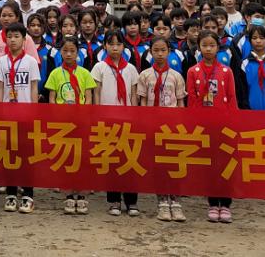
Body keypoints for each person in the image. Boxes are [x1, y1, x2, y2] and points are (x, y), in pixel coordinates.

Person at [185, 31, 238, 222]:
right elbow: (191, 99)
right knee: (209, 165)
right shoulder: (193, 71)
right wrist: (194, 123)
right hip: (204, 124)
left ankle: (226, 204)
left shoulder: (226, 71)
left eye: (212, 45)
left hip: (223, 124)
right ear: (199, 47)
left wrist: (233, 122)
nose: (208, 49)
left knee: (225, 163)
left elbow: (232, 98)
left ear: (218, 47)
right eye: (204, 45)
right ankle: (212, 203)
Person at [136, 36, 187, 222]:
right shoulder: (145, 75)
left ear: (169, 52)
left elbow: (180, 102)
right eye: (156, 50)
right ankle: (162, 202)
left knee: (174, 163)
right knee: (159, 163)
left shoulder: (176, 76)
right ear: (150, 52)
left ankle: (176, 200)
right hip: (152, 124)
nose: (159, 54)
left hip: (172, 126)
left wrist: (181, 125)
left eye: (163, 50)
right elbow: (142, 101)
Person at [46, 34, 96, 215]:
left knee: (82, 157)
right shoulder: (55, 74)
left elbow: (88, 97)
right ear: (60, 52)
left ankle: (82, 195)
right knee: (65, 157)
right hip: (63, 123)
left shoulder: (84, 73)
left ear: (78, 53)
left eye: (72, 51)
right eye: (65, 51)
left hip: (81, 121)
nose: (68, 54)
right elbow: (52, 98)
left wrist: (86, 116)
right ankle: (68, 195)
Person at [91, 31, 139, 216]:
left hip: (127, 119)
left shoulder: (131, 69)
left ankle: (131, 201)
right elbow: (97, 93)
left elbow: (134, 93)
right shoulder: (99, 67)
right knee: (111, 161)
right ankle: (114, 201)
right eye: (111, 44)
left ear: (124, 47)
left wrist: (135, 115)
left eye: (119, 44)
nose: (115, 47)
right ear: (105, 46)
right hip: (108, 119)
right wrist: (98, 115)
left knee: (129, 160)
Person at [0, 22, 39, 214]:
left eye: (16, 36)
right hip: (7, 115)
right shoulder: (1, 62)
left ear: (24, 39)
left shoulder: (30, 61)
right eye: (9, 36)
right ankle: (11, 194)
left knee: (27, 155)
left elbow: (34, 87)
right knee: (10, 154)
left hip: (26, 114)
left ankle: (28, 194)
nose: (13, 40)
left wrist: (34, 112)